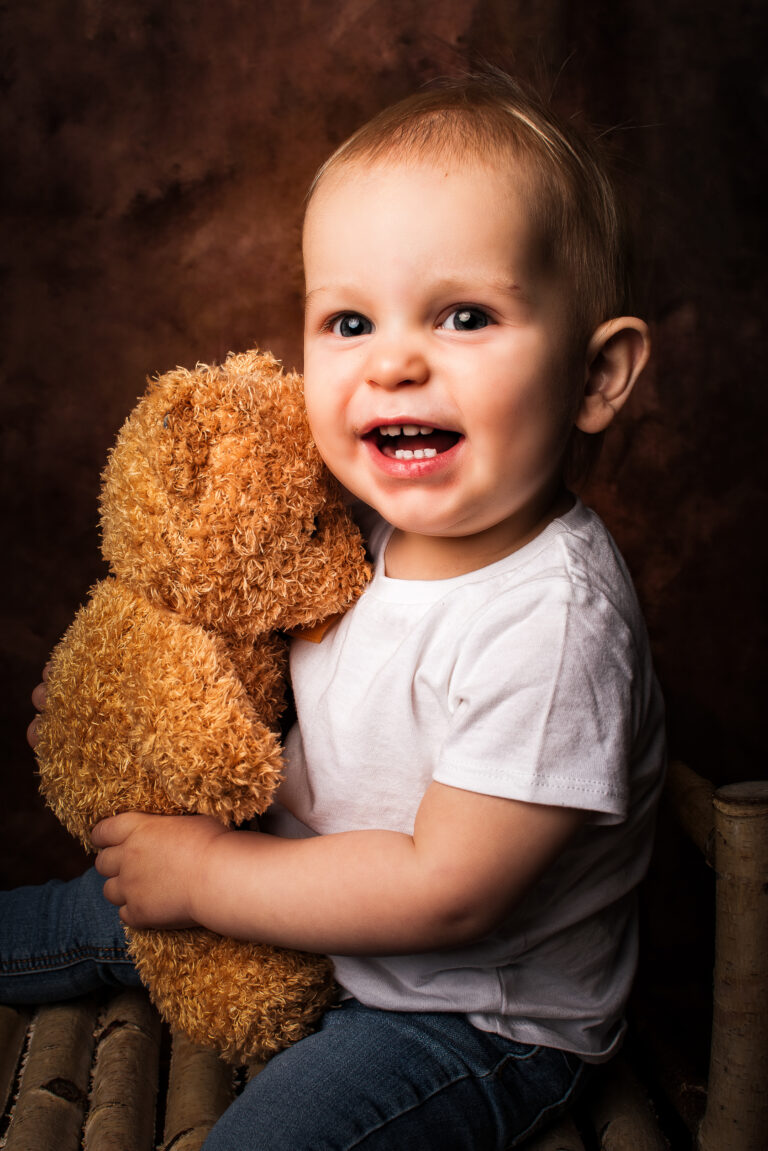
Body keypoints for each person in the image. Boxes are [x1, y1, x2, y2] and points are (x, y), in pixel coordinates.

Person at [5, 72, 665, 1149]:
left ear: (597, 375)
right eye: (350, 321)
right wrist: (116, 713)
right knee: (75, 909)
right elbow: (245, 674)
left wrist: (209, 875)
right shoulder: (351, 531)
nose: (394, 361)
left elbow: (448, 891)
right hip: (292, 907)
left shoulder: (553, 623)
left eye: (465, 315)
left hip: (460, 1013)